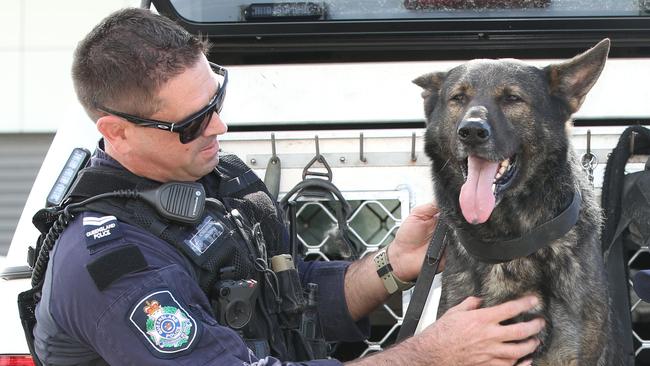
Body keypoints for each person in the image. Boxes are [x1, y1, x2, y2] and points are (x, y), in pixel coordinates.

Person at [32, 7, 544, 366]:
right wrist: (435, 356)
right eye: (191, 122)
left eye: (217, 100)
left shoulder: (216, 182)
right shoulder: (115, 267)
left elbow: (288, 296)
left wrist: (393, 265)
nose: (218, 128)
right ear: (116, 131)